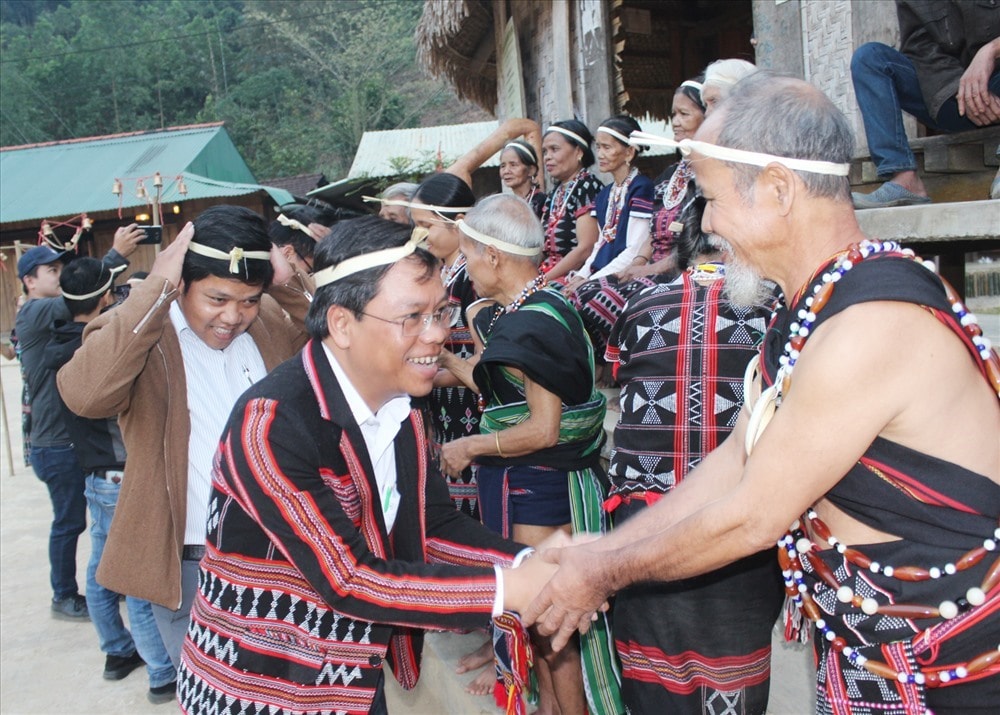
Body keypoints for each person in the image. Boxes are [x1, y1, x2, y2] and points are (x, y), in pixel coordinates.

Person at [524, 73, 1000, 713]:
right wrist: (603, 547)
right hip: (868, 660)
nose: (707, 224)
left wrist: (604, 572)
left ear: (778, 188)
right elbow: (737, 458)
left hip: (956, 671)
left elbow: (754, 512)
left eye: (713, 199)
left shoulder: (870, 324)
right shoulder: (810, 310)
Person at [174, 215, 554, 714]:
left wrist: (533, 563)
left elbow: (429, 524)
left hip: (349, 674)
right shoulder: (270, 423)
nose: (437, 334)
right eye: (412, 317)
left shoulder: (403, 412)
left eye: (440, 312)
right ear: (342, 324)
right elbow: (347, 579)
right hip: (258, 685)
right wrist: (511, 588)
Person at [57, 205, 312, 666]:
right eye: (216, 299)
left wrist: (289, 283)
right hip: (193, 568)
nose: (233, 316)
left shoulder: (271, 322)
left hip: (286, 557)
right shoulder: (142, 334)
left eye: (249, 299)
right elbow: (86, 395)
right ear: (181, 282)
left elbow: (345, 341)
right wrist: (154, 290)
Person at [440, 194, 624, 715]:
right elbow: (501, 384)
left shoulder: (530, 323)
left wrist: (471, 444)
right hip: (541, 483)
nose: (465, 268)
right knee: (537, 612)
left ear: (493, 257)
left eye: (468, 256)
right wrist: (445, 360)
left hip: (540, 486)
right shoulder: (543, 305)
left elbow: (543, 429)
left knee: (547, 619)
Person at [603, 197, 784, 714]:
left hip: (646, 522)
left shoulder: (639, 304)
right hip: (735, 522)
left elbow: (620, 375)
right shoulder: (777, 311)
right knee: (731, 676)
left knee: (651, 679)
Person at [45, 257, 177, 704]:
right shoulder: (103, 352)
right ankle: (161, 671)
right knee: (140, 583)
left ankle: (116, 652)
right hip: (121, 474)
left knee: (103, 572)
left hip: (94, 476)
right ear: (106, 297)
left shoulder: (57, 344)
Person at [15, 226, 140, 621]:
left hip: (65, 440)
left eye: (58, 268)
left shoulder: (50, 318)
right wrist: (115, 256)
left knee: (94, 525)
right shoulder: (35, 312)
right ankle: (64, 594)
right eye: (50, 271)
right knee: (70, 523)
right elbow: (81, 294)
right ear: (29, 282)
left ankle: (104, 588)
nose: (58, 274)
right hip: (56, 443)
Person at [851, 1, 1000, 209]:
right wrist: (964, 92)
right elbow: (920, 49)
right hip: (954, 98)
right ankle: (904, 179)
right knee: (869, 59)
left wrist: (991, 50)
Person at [563, 115, 654, 357]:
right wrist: (581, 274)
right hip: (603, 271)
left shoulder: (641, 188)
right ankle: (600, 360)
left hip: (627, 271)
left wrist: (591, 281)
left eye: (607, 147)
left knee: (587, 298)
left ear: (629, 153)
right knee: (560, 294)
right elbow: (600, 242)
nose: (600, 154)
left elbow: (635, 248)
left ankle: (619, 358)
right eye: (598, 147)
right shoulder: (605, 195)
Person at [539, 119, 604, 280]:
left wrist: (542, 281)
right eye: (545, 152)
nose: (547, 157)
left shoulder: (588, 187)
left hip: (575, 276)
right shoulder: (555, 194)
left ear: (579, 152)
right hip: (548, 273)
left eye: (554, 149)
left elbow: (585, 248)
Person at [499, 139, 546, 218]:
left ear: (531, 170)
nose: (506, 171)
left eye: (513, 165)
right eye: (503, 166)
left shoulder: (543, 202)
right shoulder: (507, 205)